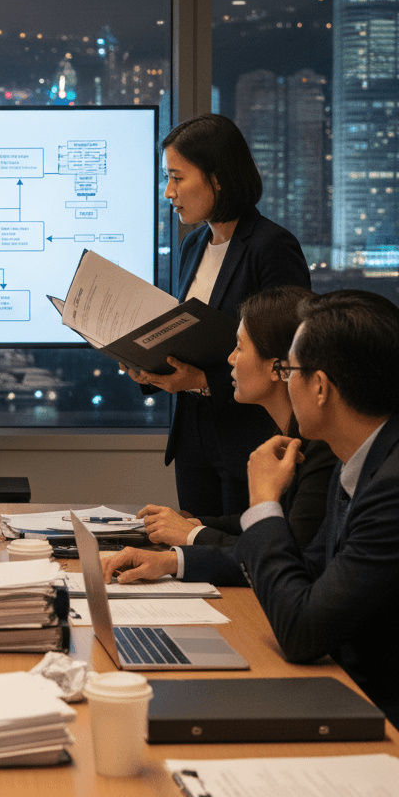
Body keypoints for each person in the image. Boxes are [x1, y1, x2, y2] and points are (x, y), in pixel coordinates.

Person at [105, 290, 399, 727]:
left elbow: (301, 630)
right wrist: (178, 557)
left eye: (290, 370)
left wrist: (263, 504)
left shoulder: (388, 488)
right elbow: (311, 570)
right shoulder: (356, 463)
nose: (286, 379)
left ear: (319, 387)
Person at [124, 114, 310, 517]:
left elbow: (290, 356)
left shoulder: (271, 246)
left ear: (218, 178)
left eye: (177, 178)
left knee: (243, 560)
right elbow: (186, 334)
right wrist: (149, 363)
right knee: (195, 549)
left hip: (250, 437)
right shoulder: (193, 245)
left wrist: (203, 381)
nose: (168, 192)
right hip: (192, 434)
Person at [138, 284, 336, 556]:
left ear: (279, 367)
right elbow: (263, 523)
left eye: (240, 348)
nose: (230, 358)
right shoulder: (284, 431)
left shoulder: (322, 447)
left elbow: (291, 552)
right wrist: (195, 524)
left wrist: (193, 535)